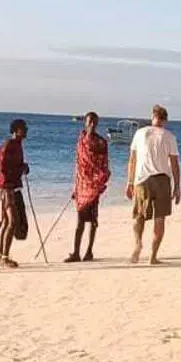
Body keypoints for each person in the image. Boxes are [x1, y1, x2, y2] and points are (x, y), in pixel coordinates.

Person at [125, 105, 181, 266]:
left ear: (152, 117)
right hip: (162, 180)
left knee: (139, 215)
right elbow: (175, 164)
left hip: (142, 180)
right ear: (165, 120)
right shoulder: (169, 136)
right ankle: (153, 257)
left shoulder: (140, 133)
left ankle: (137, 245)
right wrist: (177, 187)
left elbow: (132, 160)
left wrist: (129, 182)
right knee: (159, 218)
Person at [66, 111, 110, 262]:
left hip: (94, 185)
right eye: (90, 121)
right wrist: (75, 186)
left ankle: (89, 251)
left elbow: (104, 164)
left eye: (94, 122)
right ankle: (76, 253)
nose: (92, 125)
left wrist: (100, 181)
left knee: (93, 220)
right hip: (82, 185)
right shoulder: (81, 141)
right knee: (79, 220)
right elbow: (78, 165)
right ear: (85, 122)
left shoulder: (101, 142)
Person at [0, 118, 30, 268]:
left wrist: (23, 168)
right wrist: (21, 169)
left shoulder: (17, 145)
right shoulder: (10, 145)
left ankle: (0, 254)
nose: (26, 130)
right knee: (12, 221)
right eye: (23, 128)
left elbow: (13, 166)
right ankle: (5, 257)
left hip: (10, 188)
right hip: (7, 188)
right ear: (16, 130)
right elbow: (4, 168)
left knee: (7, 222)